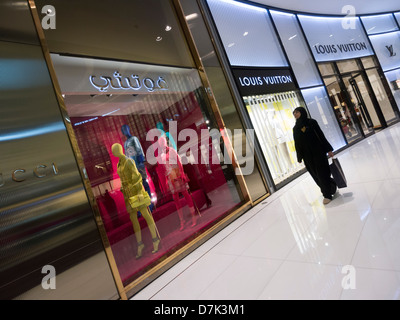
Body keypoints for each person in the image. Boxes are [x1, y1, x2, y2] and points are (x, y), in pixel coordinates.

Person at [111, 143, 160, 258]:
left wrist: (132, 186)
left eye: (115, 150)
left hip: (136, 193)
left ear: (120, 149)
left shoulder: (129, 161)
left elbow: (137, 177)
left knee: (146, 214)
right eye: (113, 151)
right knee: (133, 219)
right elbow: (123, 180)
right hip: (127, 195)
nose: (114, 152)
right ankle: (140, 244)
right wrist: (124, 188)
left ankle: (155, 239)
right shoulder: (119, 164)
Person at [292, 107, 337, 205]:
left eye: (297, 112)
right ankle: (331, 185)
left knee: (322, 173)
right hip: (307, 156)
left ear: (302, 112)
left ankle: (327, 195)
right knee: (315, 175)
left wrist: (328, 149)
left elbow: (321, 135)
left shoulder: (312, 122)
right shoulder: (295, 128)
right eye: (294, 113)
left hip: (318, 152)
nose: (295, 114)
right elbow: (297, 143)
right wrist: (299, 157)